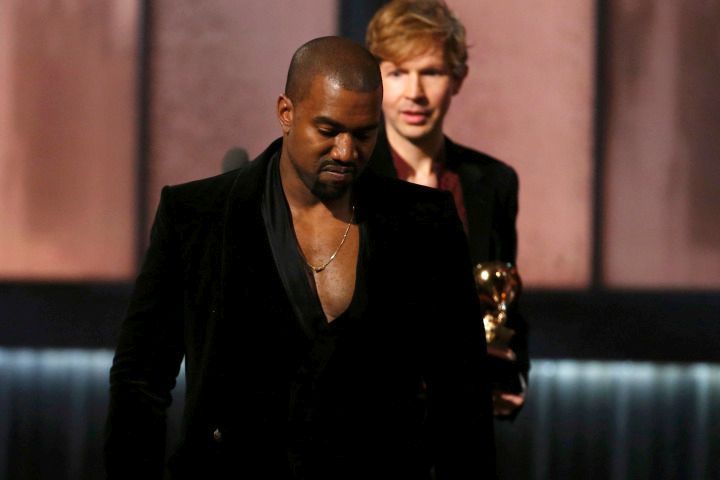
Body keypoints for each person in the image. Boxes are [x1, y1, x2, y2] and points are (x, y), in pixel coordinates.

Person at [105, 36, 496, 479]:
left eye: (364, 135)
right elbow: (140, 380)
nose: (346, 153)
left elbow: (463, 397)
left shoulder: (425, 224)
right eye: (328, 131)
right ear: (286, 113)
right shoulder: (196, 217)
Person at [366, 0, 529, 418]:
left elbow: (506, 297)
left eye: (431, 72)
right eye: (398, 72)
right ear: (375, 78)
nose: (414, 93)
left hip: (462, 421)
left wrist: (514, 375)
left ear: (458, 79)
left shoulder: (493, 181)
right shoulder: (351, 177)